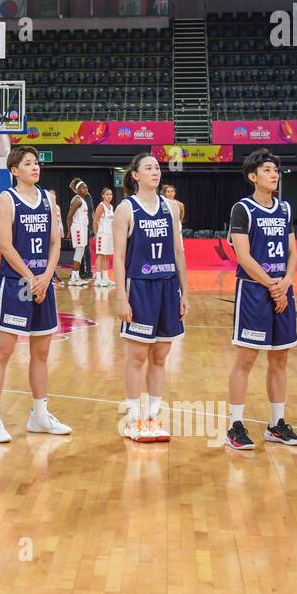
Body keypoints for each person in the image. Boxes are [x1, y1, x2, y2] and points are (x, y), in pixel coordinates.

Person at [0, 146, 69, 443]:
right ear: (14, 170)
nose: (35, 167)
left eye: (36, 163)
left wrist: (46, 276)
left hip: (42, 282)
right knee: (3, 353)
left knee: (41, 353)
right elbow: (5, 246)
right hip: (17, 282)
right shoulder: (7, 199)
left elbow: (56, 242)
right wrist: (32, 278)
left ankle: (39, 415)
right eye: (27, 163)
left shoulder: (49, 199)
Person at [225, 149, 297, 449]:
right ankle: (234, 425)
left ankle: (276, 424)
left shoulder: (284, 209)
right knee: (246, 359)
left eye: (276, 170)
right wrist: (273, 286)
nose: (274, 174)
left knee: (280, 358)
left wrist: (285, 283)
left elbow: (292, 251)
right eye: (268, 170)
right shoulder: (242, 209)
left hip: (282, 288)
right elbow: (243, 256)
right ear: (252, 176)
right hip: (254, 291)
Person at [114, 153, 189, 443]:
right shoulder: (126, 209)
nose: (155, 172)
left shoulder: (171, 207)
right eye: (148, 168)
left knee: (160, 355)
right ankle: (134, 419)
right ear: (135, 175)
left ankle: (153, 416)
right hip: (140, 287)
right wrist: (121, 296)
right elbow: (118, 258)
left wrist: (185, 291)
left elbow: (179, 252)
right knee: (137, 355)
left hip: (168, 287)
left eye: (157, 167)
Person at [65, 178, 91, 287]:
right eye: (83, 188)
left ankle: (76, 276)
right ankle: (74, 278)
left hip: (82, 228)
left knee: (80, 252)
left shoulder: (82, 199)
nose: (86, 189)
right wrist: (69, 231)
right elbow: (69, 216)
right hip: (78, 228)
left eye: (86, 187)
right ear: (78, 189)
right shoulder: (77, 200)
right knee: (79, 252)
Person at [92, 187, 115, 287]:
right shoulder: (101, 206)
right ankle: (98, 278)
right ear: (103, 195)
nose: (109, 196)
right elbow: (95, 220)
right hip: (102, 233)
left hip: (109, 234)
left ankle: (105, 278)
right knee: (100, 255)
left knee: (107, 256)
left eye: (110, 194)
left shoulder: (111, 206)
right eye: (107, 194)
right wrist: (96, 233)